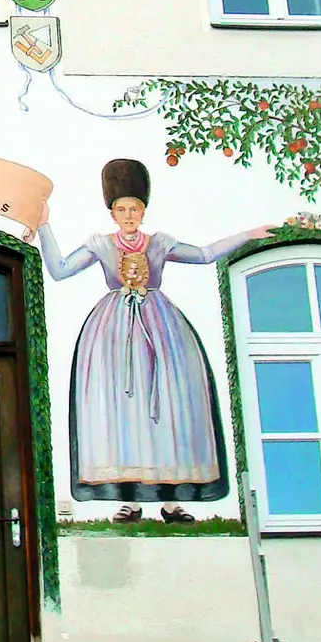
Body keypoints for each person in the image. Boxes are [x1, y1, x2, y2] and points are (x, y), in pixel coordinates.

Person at [37, 158, 275, 523]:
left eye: (134, 209)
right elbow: (60, 270)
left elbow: (205, 254)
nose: (128, 215)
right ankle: (130, 499)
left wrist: (248, 234)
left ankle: (171, 500)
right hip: (113, 333)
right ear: (112, 212)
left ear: (143, 210)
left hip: (162, 329)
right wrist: (43, 226)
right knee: (123, 409)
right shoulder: (101, 244)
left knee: (168, 403)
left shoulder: (160, 243)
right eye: (121, 209)